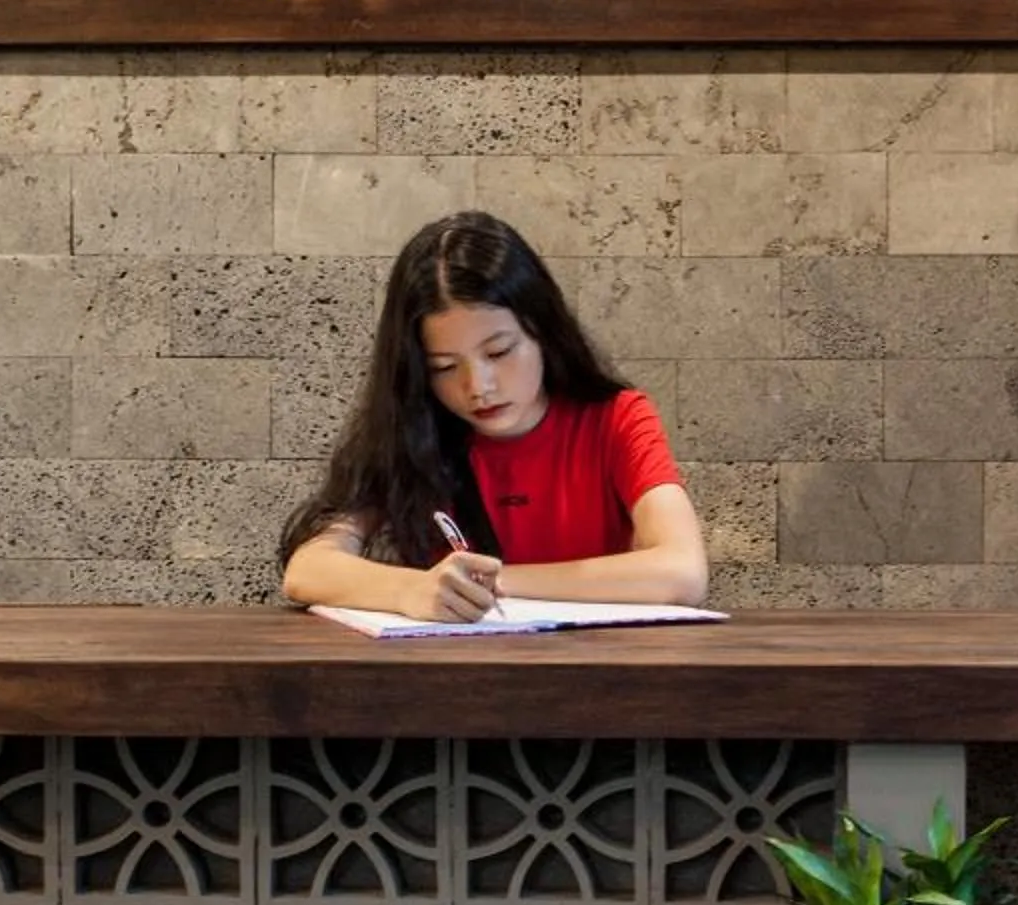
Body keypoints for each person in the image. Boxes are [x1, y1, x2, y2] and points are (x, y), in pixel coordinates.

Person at [278, 211, 709, 622]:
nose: (478, 387)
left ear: (543, 331)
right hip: (459, 681)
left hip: (597, 677)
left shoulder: (615, 419)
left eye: (499, 352)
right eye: (444, 367)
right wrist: (412, 590)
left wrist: (490, 583)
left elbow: (682, 571)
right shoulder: (414, 431)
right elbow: (309, 569)